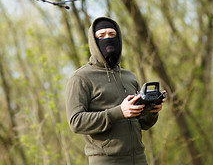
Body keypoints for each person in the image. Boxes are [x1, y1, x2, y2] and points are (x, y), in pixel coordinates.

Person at [66, 17, 165, 165]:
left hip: (139, 158)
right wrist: (119, 112)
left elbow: (143, 124)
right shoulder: (81, 78)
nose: (108, 39)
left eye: (112, 35)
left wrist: (152, 111)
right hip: (106, 161)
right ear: (93, 41)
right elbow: (76, 122)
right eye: (101, 36)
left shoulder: (129, 76)